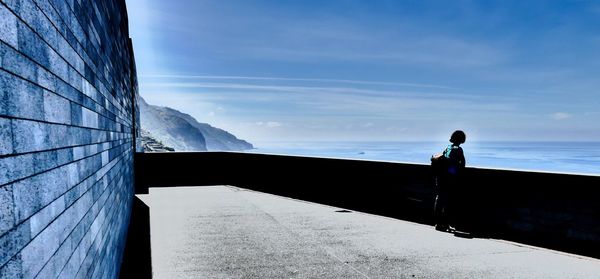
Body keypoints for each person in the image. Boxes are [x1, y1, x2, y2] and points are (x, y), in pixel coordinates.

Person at [432, 130, 466, 232]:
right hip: (449, 178)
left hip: (440, 177)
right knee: (448, 201)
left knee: (439, 199)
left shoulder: (448, 147)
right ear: (461, 140)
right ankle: (446, 223)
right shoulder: (459, 149)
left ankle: (438, 223)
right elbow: (462, 164)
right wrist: (454, 172)